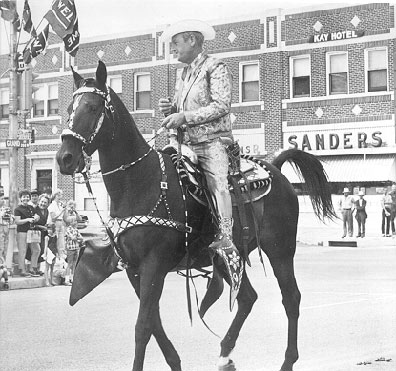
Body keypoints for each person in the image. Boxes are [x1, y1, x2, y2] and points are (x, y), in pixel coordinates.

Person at [159, 20, 242, 273]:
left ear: (192, 40)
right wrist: (172, 110)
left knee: (218, 181)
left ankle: (226, 236)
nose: (172, 48)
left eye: (176, 42)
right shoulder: (182, 73)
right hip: (183, 142)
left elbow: (221, 106)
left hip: (211, 141)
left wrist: (185, 117)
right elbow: (183, 108)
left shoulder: (215, 66)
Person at [14, 190, 40, 276]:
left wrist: (36, 218)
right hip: (22, 232)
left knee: (36, 249)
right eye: (24, 197)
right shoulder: (18, 209)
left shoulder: (30, 207)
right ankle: (22, 270)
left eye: (27, 197)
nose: (26, 198)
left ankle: (32, 268)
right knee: (23, 250)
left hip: (31, 232)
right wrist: (27, 220)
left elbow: (36, 216)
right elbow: (17, 221)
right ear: (20, 198)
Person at [63, 200, 83, 285]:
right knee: (70, 263)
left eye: (73, 205)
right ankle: (67, 279)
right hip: (70, 246)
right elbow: (66, 220)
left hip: (75, 246)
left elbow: (80, 219)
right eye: (70, 205)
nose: (72, 206)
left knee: (75, 263)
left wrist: (75, 211)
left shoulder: (74, 214)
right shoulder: (66, 213)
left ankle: (73, 278)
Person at [47, 189, 66, 258]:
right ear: (56, 195)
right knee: (55, 240)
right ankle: (55, 256)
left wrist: (64, 209)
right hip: (55, 224)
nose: (61, 197)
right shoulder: (52, 205)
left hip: (61, 223)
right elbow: (53, 218)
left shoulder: (60, 205)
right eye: (60, 195)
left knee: (61, 240)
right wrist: (62, 211)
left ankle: (61, 256)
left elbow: (63, 216)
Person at [0, 194, 13, 265]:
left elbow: (10, 221)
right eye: (1, 199)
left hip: (6, 230)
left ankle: (3, 266)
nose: (3, 201)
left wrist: (10, 217)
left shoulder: (6, 209)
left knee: (5, 249)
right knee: (0, 248)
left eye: (3, 199)